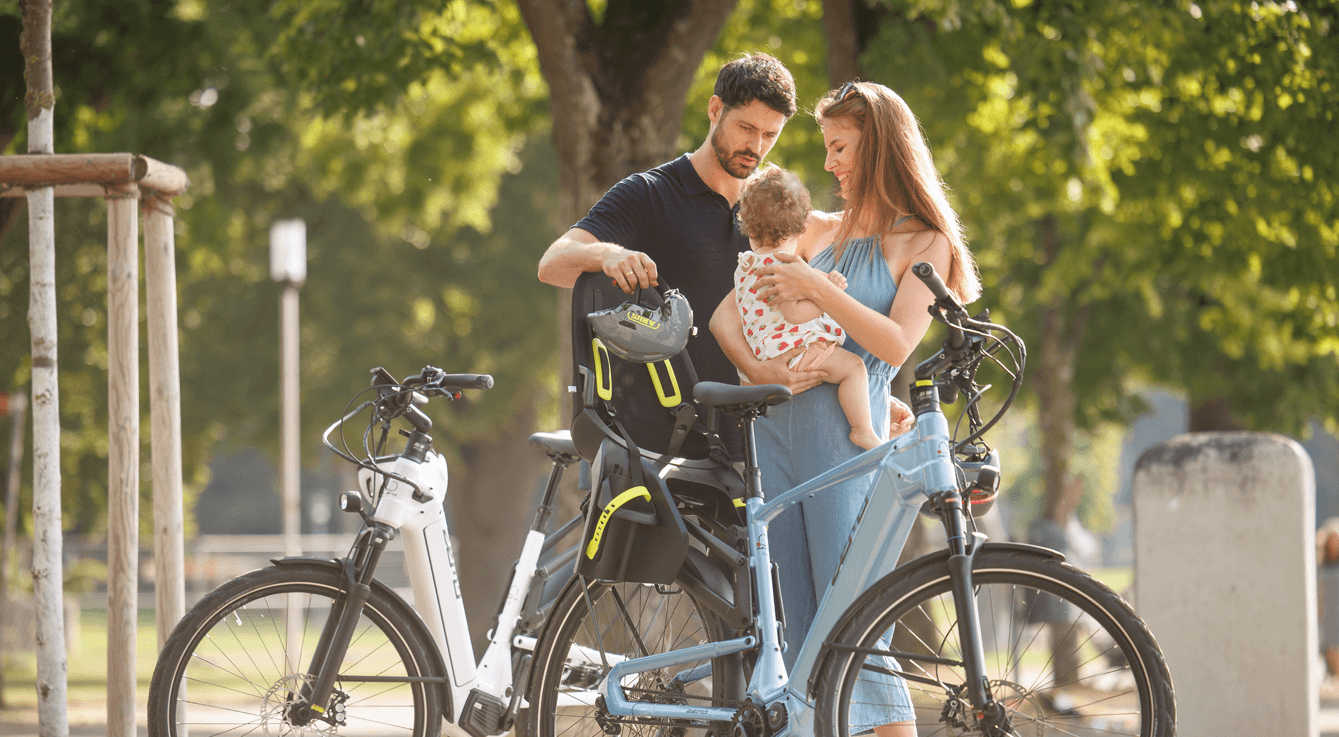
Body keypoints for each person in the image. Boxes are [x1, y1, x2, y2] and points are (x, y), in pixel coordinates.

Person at [711, 81, 981, 736]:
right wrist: (754, 366)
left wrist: (813, 288)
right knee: (796, 628)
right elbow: (727, 309)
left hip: (846, 449)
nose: (828, 163)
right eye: (825, 147)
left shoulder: (925, 244)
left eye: (840, 147)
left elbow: (892, 341)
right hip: (775, 437)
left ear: (880, 148)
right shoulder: (818, 229)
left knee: (856, 621)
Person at [733, 165, 881, 450]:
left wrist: (816, 282)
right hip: (792, 350)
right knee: (854, 367)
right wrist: (829, 293)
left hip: (765, 351)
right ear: (799, 228)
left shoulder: (746, 266)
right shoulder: (783, 266)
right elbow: (794, 313)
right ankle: (862, 429)